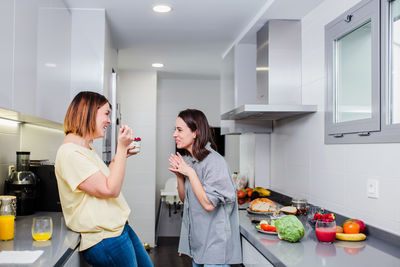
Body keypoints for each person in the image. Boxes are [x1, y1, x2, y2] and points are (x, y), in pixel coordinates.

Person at [55, 91, 153, 267]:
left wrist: (120, 156)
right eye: (106, 113)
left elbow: (104, 180)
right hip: (104, 238)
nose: (109, 120)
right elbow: (110, 190)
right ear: (88, 112)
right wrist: (121, 150)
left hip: (117, 228)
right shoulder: (70, 153)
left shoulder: (85, 148)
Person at [168, 109, 242, 267]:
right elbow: (184, 199)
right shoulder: (191, 160)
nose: (174, 134)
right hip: (199, 246)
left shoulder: (215, 162)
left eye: (179, 130)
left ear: (195, 132)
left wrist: (190, 173)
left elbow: (208, 204)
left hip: (215, 248)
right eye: (175, 129)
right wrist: (180, 176)